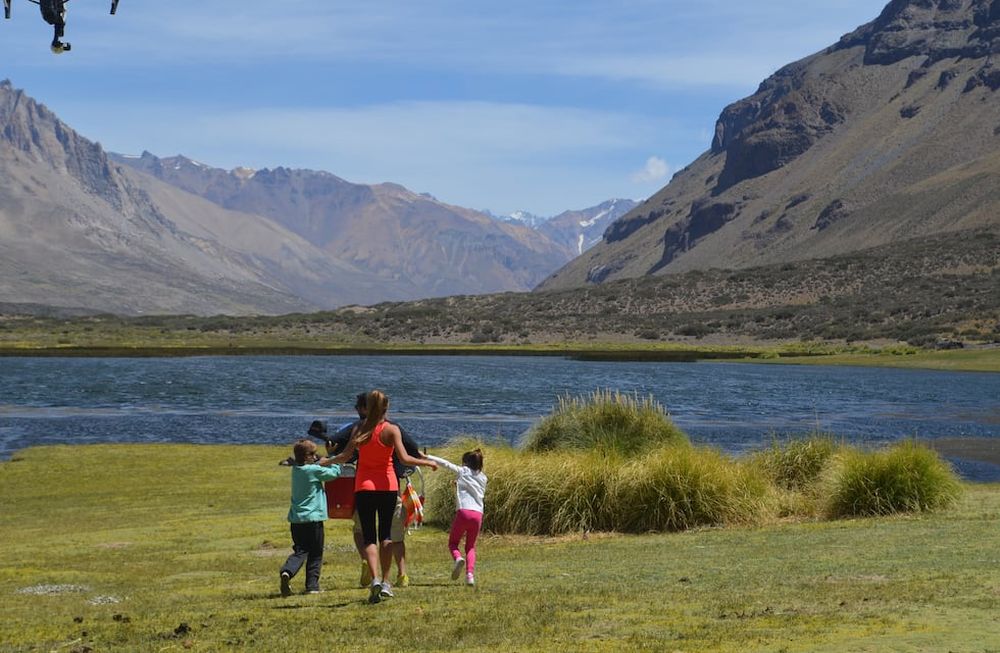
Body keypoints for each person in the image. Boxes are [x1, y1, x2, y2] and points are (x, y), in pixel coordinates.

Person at [329, 390, 437, 604]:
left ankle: (375, 579)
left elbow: (344, 455)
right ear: (386, 408)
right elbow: (405, 458)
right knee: (386, 536)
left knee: (368, 537)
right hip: (388, 487)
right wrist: (428, 462)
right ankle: (387, 581)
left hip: (364, 487)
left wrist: (324, 461)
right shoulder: (391, 429)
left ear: (366, 408)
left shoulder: (359, 429)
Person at [278, 439, 342, 597]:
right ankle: (312, 585)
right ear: (306, 456)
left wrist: (319, 460)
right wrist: (331, 459)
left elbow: (307, 464)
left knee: (300, 550)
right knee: (315, 553)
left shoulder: (296, 470)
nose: (315, 456)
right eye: (312, 454)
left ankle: (288, 571)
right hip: (313, 520)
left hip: (296, 520)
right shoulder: (313, 470)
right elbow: (335, 474)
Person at [424, 448, 487, 586]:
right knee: (470, 546)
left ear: (466, 463)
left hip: (464, 512)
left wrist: (428, 457)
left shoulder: (463, 471)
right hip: (478, 515)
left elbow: (445, 464)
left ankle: (458, 559)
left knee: (453, 543)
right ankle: (470, 575)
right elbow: (473, 488)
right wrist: (458, 484)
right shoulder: (483, 478)